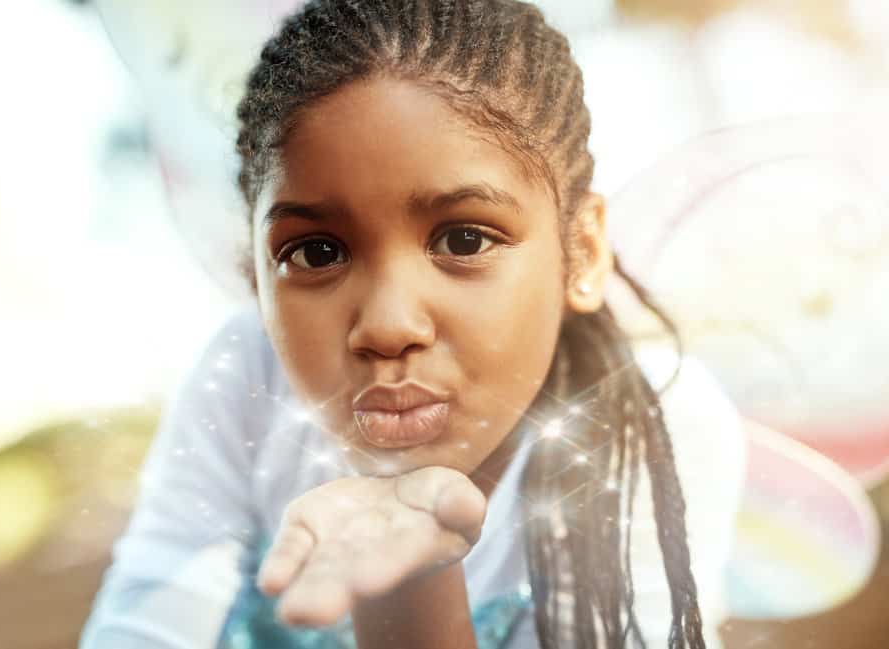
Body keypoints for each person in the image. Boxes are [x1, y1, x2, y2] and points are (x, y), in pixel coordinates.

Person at [81, 1, 745, 648]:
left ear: (583, 250)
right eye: (315, 252)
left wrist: (410, 594)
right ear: (255, 277)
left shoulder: (650, 425)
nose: (389, 325)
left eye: (463, 239)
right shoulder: (245, 383)